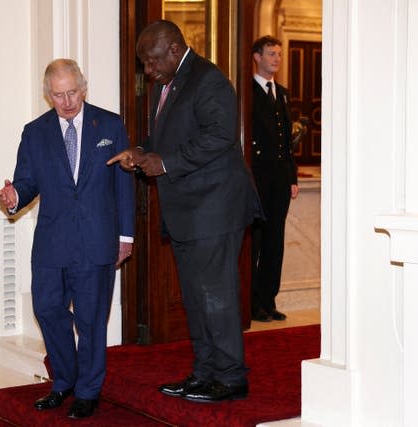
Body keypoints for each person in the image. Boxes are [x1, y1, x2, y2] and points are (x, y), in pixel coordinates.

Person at [107, 20, 261, 403]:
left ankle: (230, 378)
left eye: (151, 61)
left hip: (214, 209)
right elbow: (166, 140)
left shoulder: (208, 79)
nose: (148, 70)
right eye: (144, 63)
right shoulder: (169, 83)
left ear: (174, 49)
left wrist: (167, 163)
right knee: (196, 297)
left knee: (217, 297)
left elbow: (220, 135)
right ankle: (205, 373)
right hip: (188, 213)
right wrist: (141, 152)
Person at [0, 58, 135, 419]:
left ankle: (88, 390)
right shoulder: (35, 132)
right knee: (47, 310)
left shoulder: (109, 124)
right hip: (52, 243)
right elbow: (25, 182)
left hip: (96, 240)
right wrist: (14, 198)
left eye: (72, 92)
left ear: (83, 88)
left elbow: (124, 184)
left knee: (91, 320)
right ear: (48, 95)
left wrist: (126, 236)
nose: (67, 101)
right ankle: (64, 381)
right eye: (58, 95)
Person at [249, 35, 299, 323]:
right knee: (255, 241)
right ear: (257, 57)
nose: (276, 59)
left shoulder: (281, 92)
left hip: (279, 179)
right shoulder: (248, 92)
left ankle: (268, 299)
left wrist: (291, 177)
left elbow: (287, 142)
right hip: (257, 178)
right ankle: (252, 303)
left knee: (275, 242)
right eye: (271, 53)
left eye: (279, 54)